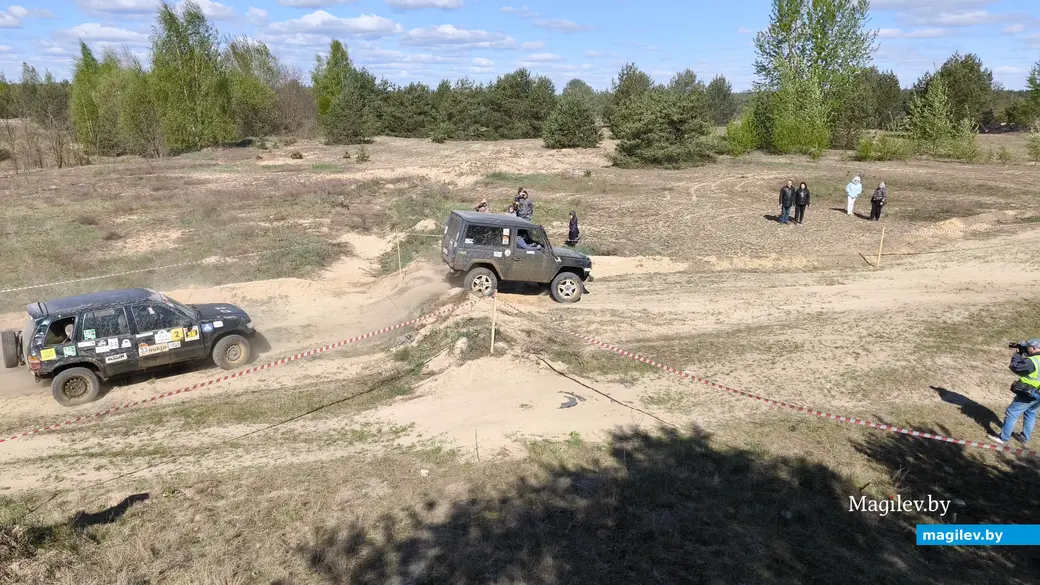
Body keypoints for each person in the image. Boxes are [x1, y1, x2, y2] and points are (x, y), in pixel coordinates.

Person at [990, 340, 1040, 445]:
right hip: (1038, 395)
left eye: (1028, 347)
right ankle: (1025, 438)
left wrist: (1017, 354)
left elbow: (1016, 367)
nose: (1026, 349)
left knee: (1011, 412)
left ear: (1034, 348)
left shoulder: (1033, 361)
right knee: (1030, 413)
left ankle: (1003, 438)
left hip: (1030, 393)